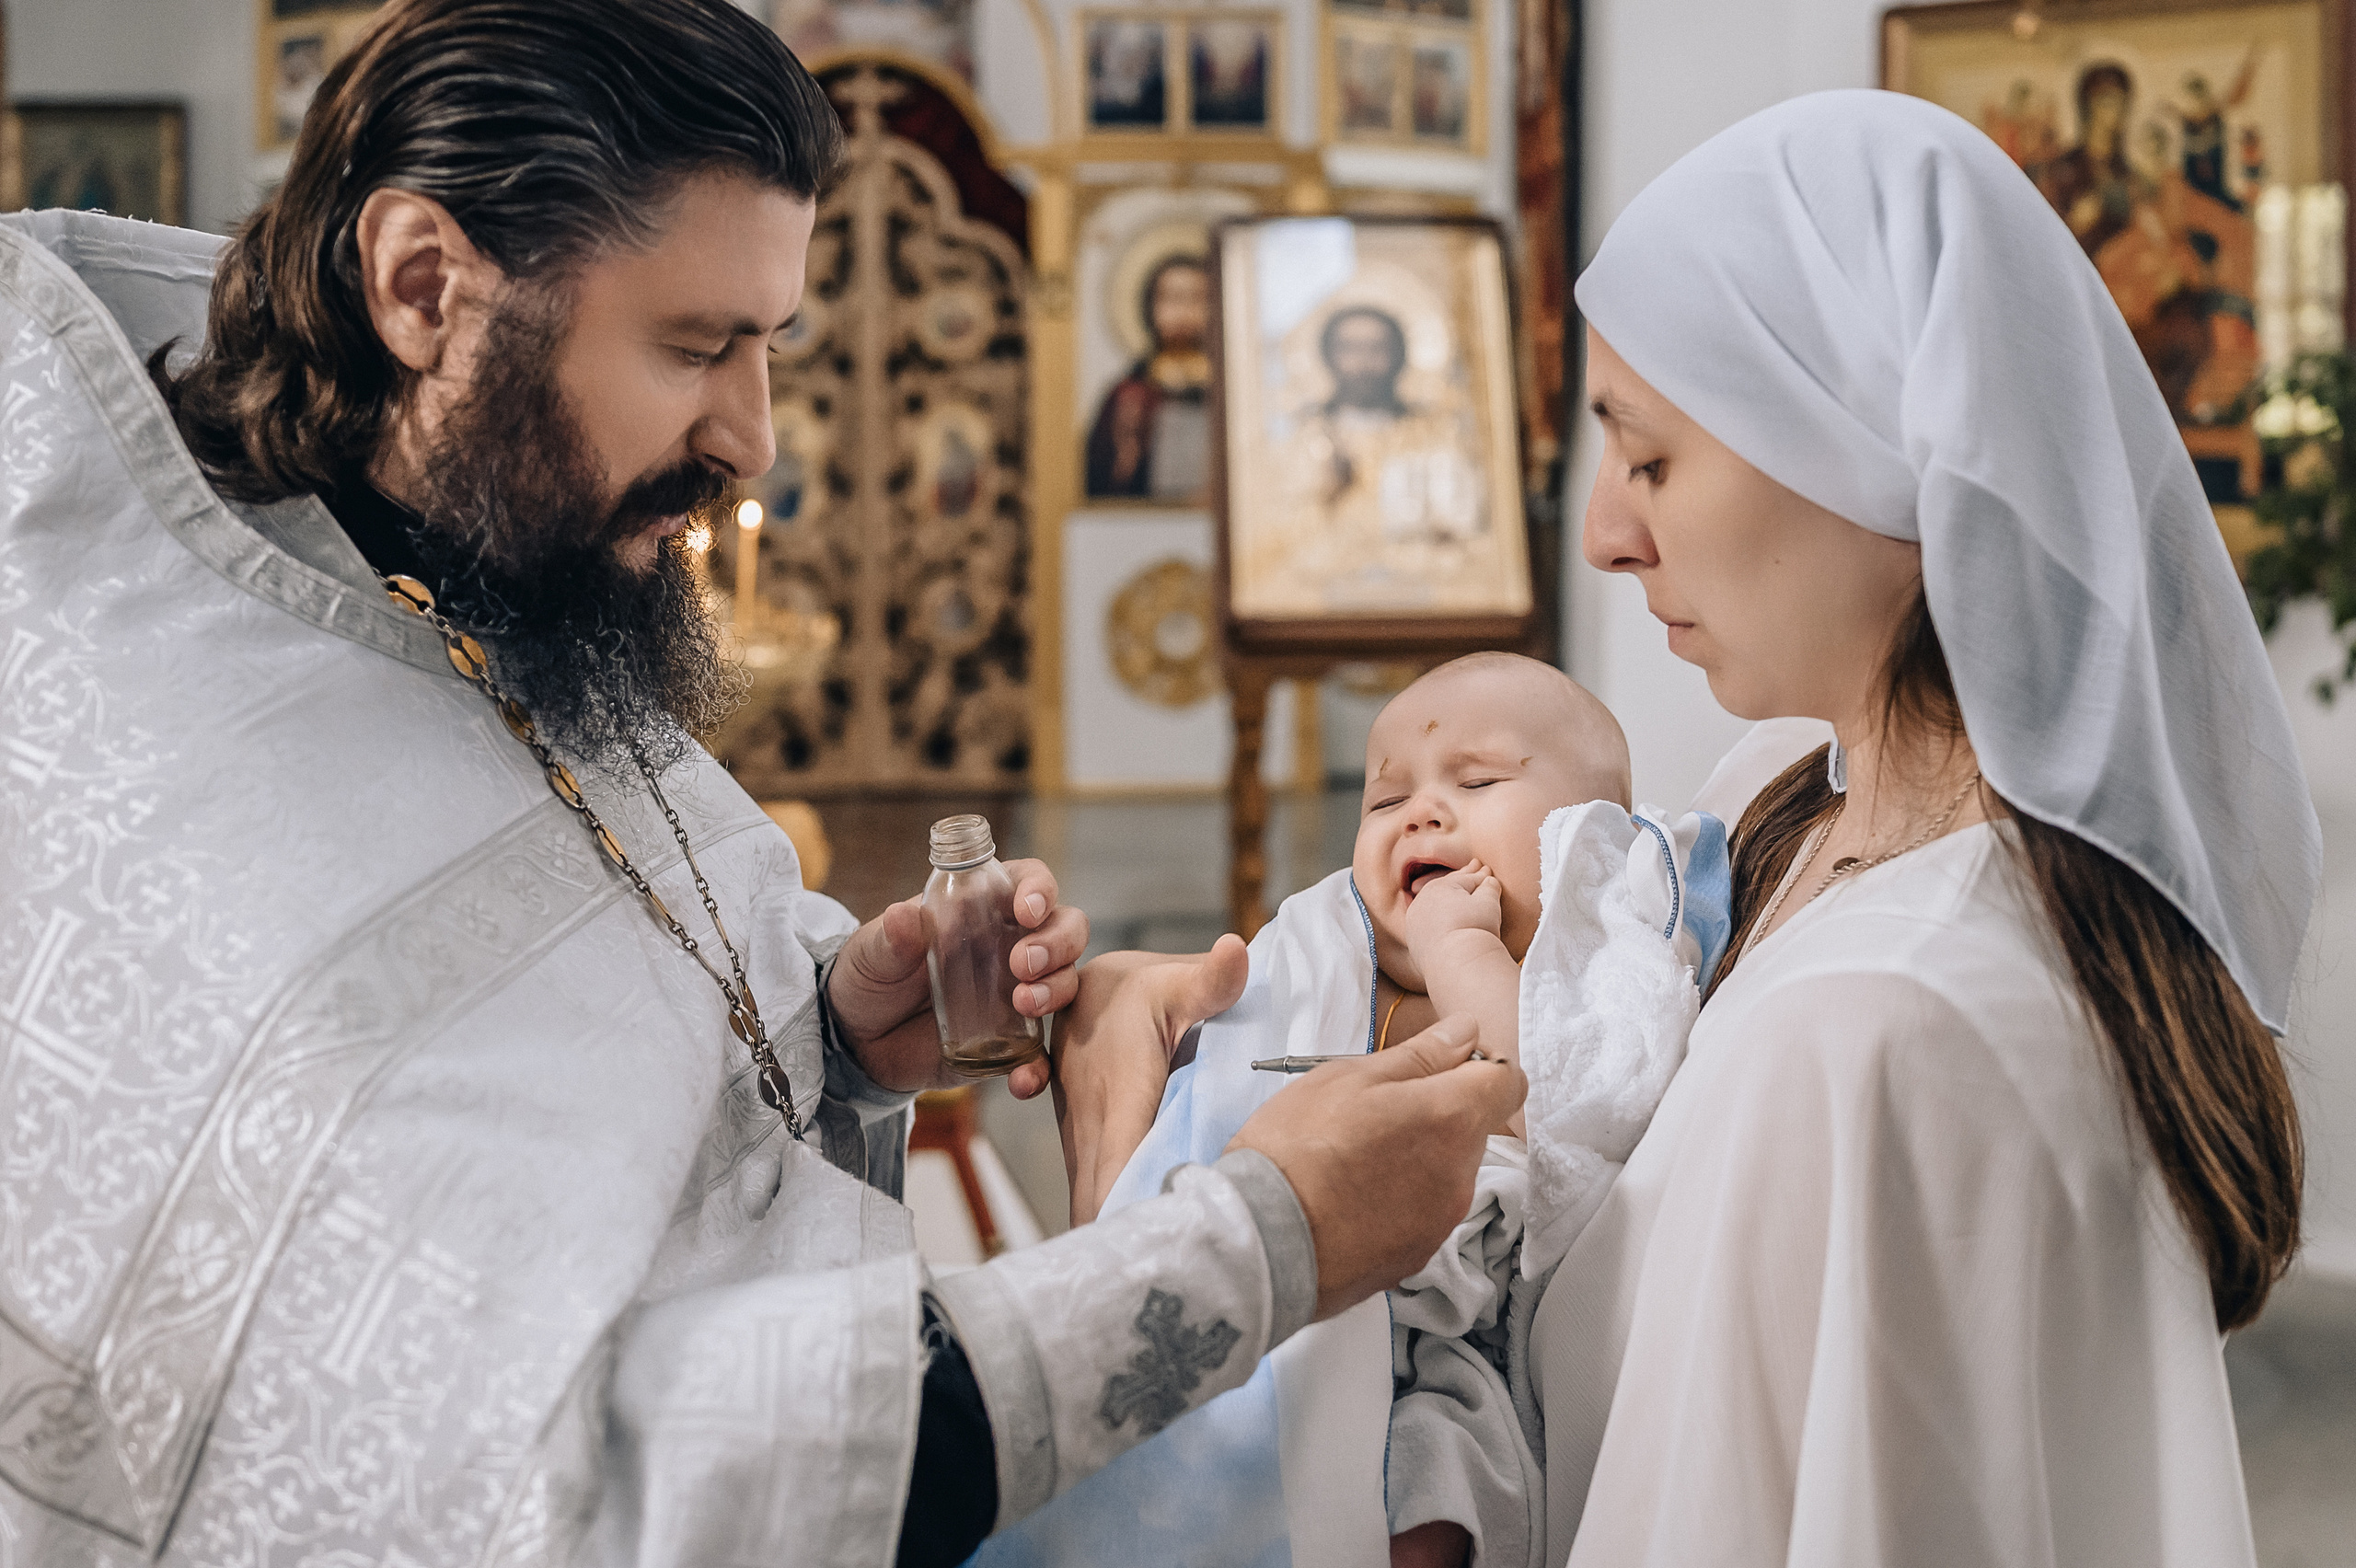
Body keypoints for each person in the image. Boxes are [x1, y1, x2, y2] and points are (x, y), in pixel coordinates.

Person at [0, 5, 1523, 1566]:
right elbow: (604, 1492)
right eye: (694, 347)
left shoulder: (477, 584)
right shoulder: (177, 789)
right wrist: (1266, 1238)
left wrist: (832, 1032)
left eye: (770, 346)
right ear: (422, 286)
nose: (754, 437)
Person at [1541, 88, 2315, 1563]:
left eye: (1650, 459)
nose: (1606, 535)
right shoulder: (1781, 796)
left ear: (1874, 452)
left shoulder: (1871, 1024)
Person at [981, 651, 1732, 1568]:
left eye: (1477, 782)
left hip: (1442, 1346)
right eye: (1386, 799)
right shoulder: (1326, 948)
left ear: (1590, 839)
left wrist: (1461, 951)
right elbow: (1231, 1073)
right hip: (1284, 1305)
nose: (1420, 811)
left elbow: (1556, 1107)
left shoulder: (1573, 971)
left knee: (1438, 1496)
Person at [1083, 253, 1212, 501]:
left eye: (1196, 299)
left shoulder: (1231, 390)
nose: (1184, 311)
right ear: (1150, 306)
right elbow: (1103, 481)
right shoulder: (1129, 394)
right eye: (1173, 298)